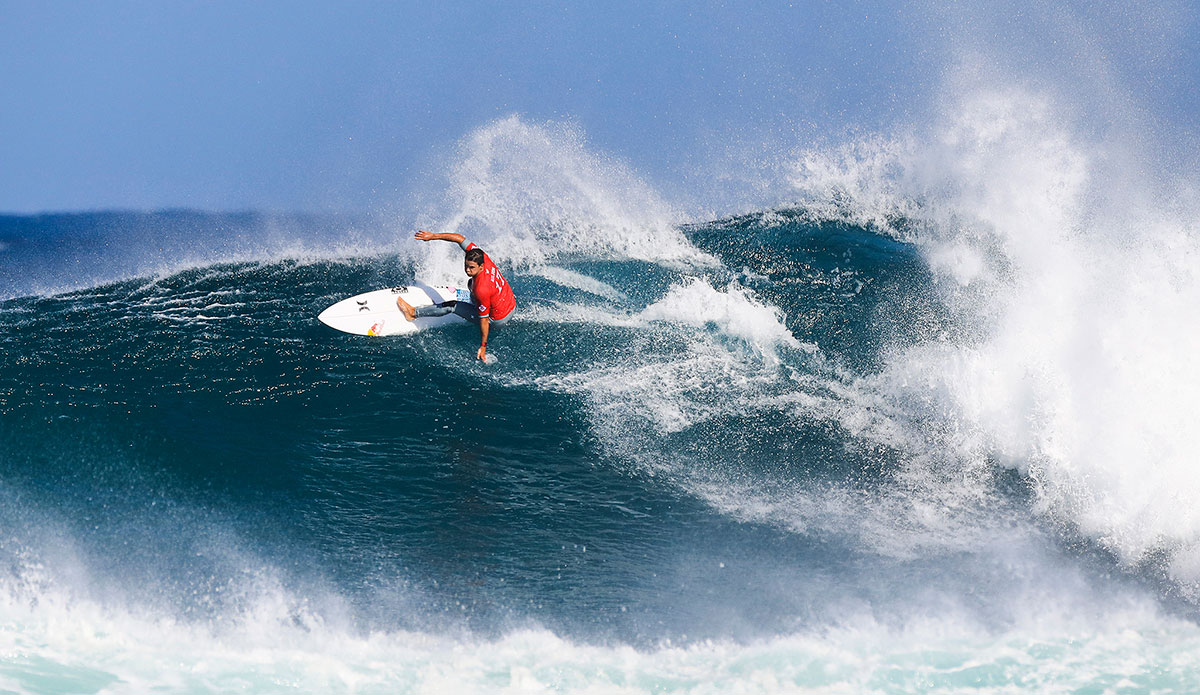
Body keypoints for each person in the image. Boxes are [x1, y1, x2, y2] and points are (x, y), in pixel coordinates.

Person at [396, 230, 515, 361]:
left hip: (497, 319)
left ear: (481, 266)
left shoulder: (482, 289)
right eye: (466, 266)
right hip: (511, 304)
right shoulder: (482, 257)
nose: (467, 270)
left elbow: (485, 320)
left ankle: (413, 313)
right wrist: (433, 236)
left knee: (452, 305)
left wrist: (483, 346)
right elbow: (459, 239)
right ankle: (475, 304)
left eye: (471, 268)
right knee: (471, 282)